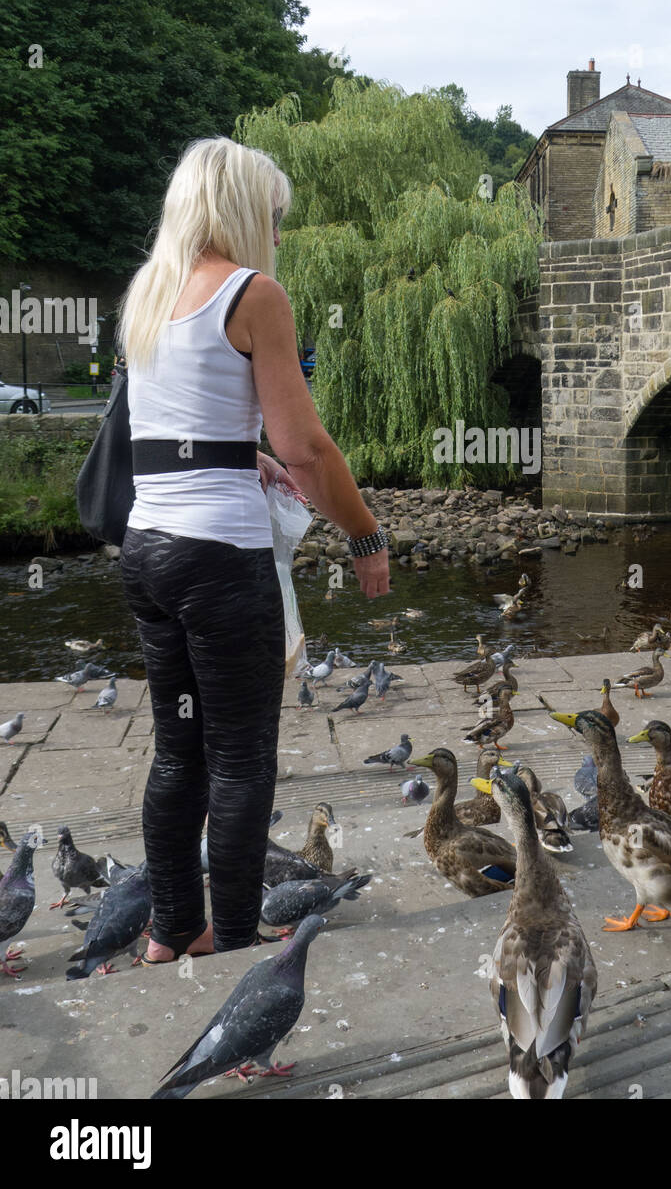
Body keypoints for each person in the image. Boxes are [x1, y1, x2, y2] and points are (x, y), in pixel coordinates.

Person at [117, 137, 390, 963]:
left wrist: (244, 454)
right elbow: (307, 446)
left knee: (178, 750)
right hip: (219, 560)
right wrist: (366, 535)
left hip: (147, 549)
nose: (276, 230)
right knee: (240, 761)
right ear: (241, 210)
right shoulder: (253, 294)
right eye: (273, 214)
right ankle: (232, 936)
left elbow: (175, 429)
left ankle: (173, 928)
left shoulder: (148, 292)